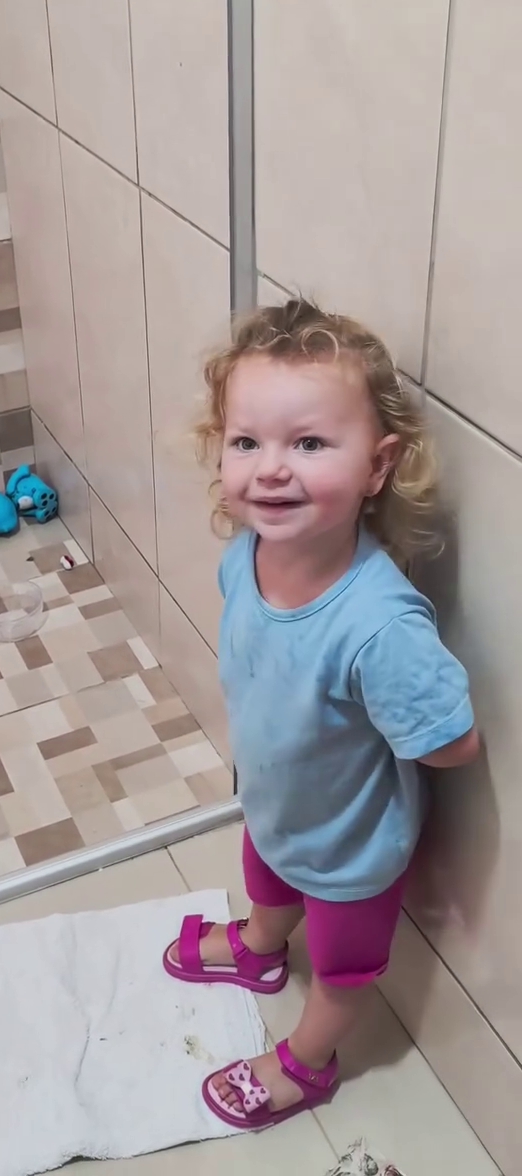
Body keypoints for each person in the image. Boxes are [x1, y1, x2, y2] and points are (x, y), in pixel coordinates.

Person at [163, 299, 479, 1132]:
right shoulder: (248, 556)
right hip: (277, 804)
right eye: (247, 442)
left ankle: (307, 1061)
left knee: (342, 967)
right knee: (266, 876)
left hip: (351, 850)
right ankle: (261, 947)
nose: (271, 469)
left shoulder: (379, 624)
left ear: (378, 466)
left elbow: (454, 744)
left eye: (308, 443)